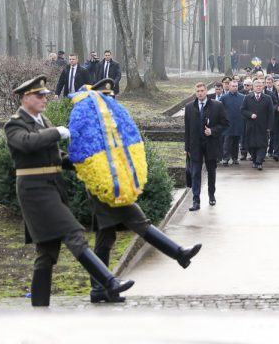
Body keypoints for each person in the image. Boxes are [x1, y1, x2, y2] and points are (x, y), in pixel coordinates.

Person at [5, 76, 134, 307]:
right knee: (74, 232)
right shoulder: (15, 123)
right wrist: (56, 132)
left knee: (47, 252)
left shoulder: (42, 120)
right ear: (25, 98)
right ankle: (109, 282)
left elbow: (54, 157)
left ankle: (40, 308)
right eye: (39, 95)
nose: (45, 99)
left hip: (52, 188)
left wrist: (81, 161)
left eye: (45, 95)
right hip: (35, 192)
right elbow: (26, 143)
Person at [87, 79, 202, 303]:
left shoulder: (112, 125)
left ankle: (99, 289)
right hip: (102, 189)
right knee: (136, 223)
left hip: (117, 186)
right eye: (107, 100)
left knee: (106, 237)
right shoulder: (92, 126)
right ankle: (178, 253)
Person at [184, 82, 229, 211]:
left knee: (211, 172)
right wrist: (187, 148)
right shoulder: (189, 107)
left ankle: (211, 195)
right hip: (195, 145)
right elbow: (187, 129)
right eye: (197, 91)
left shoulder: (217, 105)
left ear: (206, 91)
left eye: (202, 91)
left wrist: (213, 131)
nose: (200, 93)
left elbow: (225, 123)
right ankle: (196, 200)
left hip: (211, 144)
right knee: (195, 173)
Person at [241, 80, 274, 170]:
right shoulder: (247, 97)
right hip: (251, 126)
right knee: (251, 145)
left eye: (260, 86)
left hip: (263, 126)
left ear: (263, 87)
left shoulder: (267, 98)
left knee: (262, 144)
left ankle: (259, 162)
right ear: (253, 87)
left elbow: (271, 113)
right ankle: (255, 160)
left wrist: (269, 126)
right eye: (257, 86)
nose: (259, 87)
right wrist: (250, 114)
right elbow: (242, 110)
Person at [220, 81, 245, 166]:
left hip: (238, 122)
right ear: (229, 87)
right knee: (227, 142)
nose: (235, 87)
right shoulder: (224, 97)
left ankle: (235, 158)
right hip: (228, 123)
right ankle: (225, 158)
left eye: (236, 86)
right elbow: (220, 110)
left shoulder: (242, 97)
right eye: (233, 86)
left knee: (236, 141)